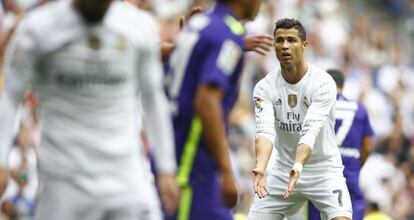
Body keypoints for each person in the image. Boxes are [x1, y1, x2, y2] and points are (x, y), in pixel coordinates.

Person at [0, 0, 179, 219]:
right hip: (64, 183)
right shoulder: (38, 29)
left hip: (125, 177)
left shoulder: (138, 26)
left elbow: (154, 99)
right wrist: (1, 162)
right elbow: (10, 96)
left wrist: (167, 168)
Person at [166, 0, 263, 219]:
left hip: (178, 158)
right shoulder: (227, 34)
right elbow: (206, 102)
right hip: (191, 168)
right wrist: (227, 172)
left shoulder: (199, 25)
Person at [247, 18, 353, 220]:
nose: (285, 46)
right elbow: (265, 131)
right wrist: (261, 168)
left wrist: (298, 166)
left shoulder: (323, 83)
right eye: (279, 40)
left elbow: (310, 131)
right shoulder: (264, 87)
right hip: (282, 172)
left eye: (291, 40)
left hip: (324, 171)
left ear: (305, 45)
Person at [307, 69, 374, 220]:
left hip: (320, 174)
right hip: (350, 174)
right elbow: (368, 147)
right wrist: (356, 164)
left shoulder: (317, 106)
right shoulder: (360, 109)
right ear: (344, 85)